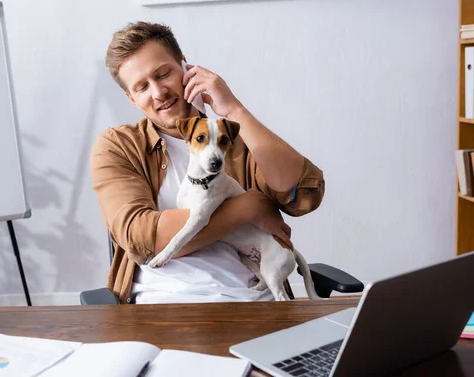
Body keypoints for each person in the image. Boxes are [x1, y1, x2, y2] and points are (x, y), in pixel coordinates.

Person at [91, 21, 324, 304]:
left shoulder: (229, 135)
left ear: (186, 68)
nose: (158, 92)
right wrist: (249, 207)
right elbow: (142, 239)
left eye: (163, 73)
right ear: (132, 99)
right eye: (142, 87)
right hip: (164, 305)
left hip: (254, 299)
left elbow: (304, 196)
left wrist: (233, 109)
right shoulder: (118, 146)